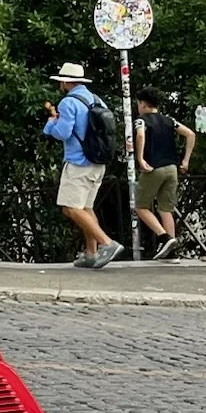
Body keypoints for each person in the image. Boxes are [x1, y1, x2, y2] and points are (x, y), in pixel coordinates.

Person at [41, 61, 121, 269]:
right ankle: (91, 253)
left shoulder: (68, 103)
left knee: (70, 208)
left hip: (78, 162)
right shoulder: (95, 99)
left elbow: (63, 133)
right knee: (86, 207)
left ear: (66, 82)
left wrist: (51, 124)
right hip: (97, 161)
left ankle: (107, 243)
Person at [134, 89, 194, 260]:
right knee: (166, 209)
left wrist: (140, 159)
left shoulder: (141, 120)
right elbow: (190, 134)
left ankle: (164, 237)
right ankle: (172, 251)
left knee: (141, 206)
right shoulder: (169, 120)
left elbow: (140, 135)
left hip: (154, 167)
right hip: (172, 168)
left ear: (143, 104)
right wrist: (186, 160)